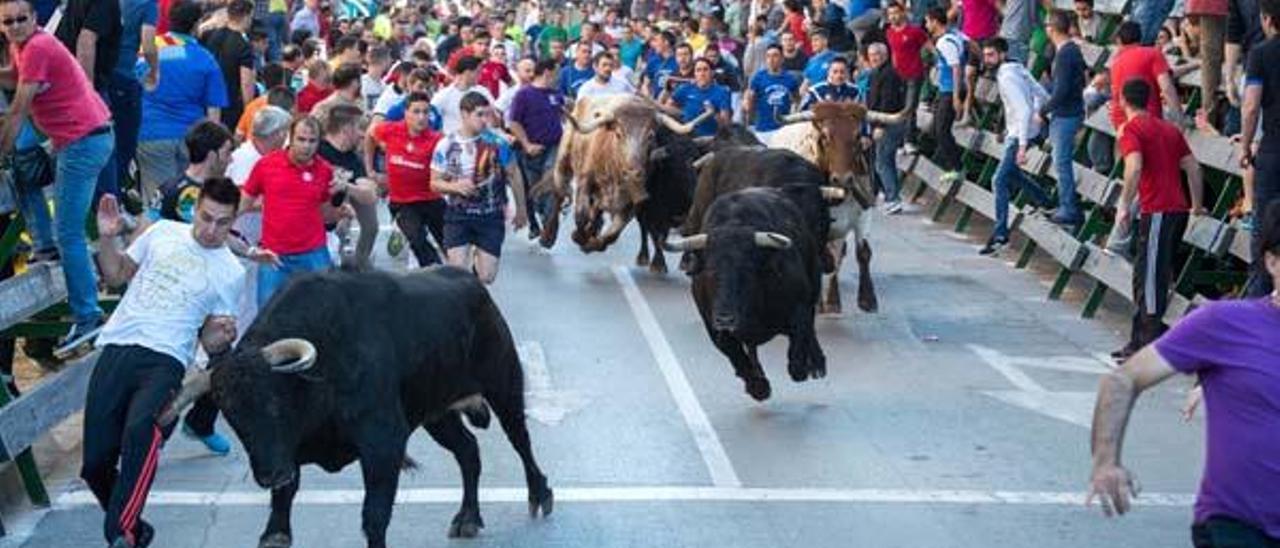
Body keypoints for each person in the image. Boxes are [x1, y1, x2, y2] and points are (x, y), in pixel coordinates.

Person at [1087, 201, 1280, 547]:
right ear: (1272, 262)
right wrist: (1105, 462)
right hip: (1238, 526)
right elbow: (1123, 379)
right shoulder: (1226, 323)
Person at [80, 179, 244, 548]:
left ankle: (120, 532)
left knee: (142, 430)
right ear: (195, 208)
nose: (211, 229)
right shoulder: (163, 232)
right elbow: (116, 274)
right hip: (119, 346)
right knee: (94, 465)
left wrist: (222, 336)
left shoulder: (231, 271)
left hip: (166, 359)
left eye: (222, 223)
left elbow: (209, 340)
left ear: (234, 220)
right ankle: (137, 532)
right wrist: (108, 238)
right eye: (206, 218)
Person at [0, 0, 116, 350]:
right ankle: (43, 244)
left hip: (82, 143)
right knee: (24, 164)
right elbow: (14, 78)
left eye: (22, 19)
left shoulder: (37, 47)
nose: (16, 25)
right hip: (78, 137)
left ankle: (87, 315)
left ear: (35, 19)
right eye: (9, 21)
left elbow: (18, 109)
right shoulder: (23, 47)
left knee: (70, 233)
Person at [1107, 79, 1206, 360]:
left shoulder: (1131, 130)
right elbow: (1194, 169)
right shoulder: (1168, 129)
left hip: (1158, 209)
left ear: (1124, 101)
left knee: (1150, 277)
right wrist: (1196, 205)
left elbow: (1134, 165)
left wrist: (1124, 204)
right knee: (1148, 272)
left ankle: (1147, 342)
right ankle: (1138, 338)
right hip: (1176, 210)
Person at [240, 116, 348, 305]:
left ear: (318, 142)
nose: (306, 146)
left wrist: (340, 203)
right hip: (274, 255)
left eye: (312, 141)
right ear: (291, 138)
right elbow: (244, 203)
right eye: (301, 139)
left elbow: (326, 215)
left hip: (313, 253)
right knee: (267, 316)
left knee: (324, 310)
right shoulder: (266, 165)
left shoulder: (325, 171)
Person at [137, 0, 228, 211]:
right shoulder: (206, 59)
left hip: (152, 134)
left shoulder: (148, 50)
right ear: (196, 25)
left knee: (155, 202)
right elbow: (214, 113)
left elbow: (135, 87)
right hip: (192, 139)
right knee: (189, 201)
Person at [431, 92, 527, 284]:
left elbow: (514, 175)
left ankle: (476, 272)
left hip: (490, 215)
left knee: (487, 276)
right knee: (457, 274)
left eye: (488, 115)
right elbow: (434, 183)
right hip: (458, 215)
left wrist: (521, 209)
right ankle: (463, 303)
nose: (485, 120)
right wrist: (455, 187)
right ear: (464, 114)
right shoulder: (446, 144)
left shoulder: (498, 143)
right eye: (479, 115)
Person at [980, 38, 1053, 256]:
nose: (987, 59)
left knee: (999, 179)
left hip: (1020, 134)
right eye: (985, 55)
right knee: (1011, 174)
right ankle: (1045, 201)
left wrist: (1021, 145)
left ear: (1002, 54)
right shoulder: (1017, 67)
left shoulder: (1007, 76)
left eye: (991, 54)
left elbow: (1022, 110)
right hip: (1021, 130)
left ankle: (1001, 235)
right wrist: (1038, 113)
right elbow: (1040, 93)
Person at [367, 91, 447, 268]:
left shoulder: (438, 140)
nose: (421, 117)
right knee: (418, 241)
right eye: (416, 111)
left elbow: (448, 169)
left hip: (431, 199)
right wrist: (371, 169)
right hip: (403, 202)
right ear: (406, 113)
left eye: (426, 112)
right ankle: (436, 273)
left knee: (450, 244)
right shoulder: (390, 129)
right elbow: (370, 135)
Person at [1241, 0, 1280, 298]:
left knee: (1263, 229)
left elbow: (1251, 106)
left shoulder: (1261, 53)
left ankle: (1260, 302)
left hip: (1273, 151)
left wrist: (1245, 145)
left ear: (1267, 19)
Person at [508, 59, 566, 240]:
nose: (558, 77)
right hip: (531, 150)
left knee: (551, 183)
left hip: (554, 147)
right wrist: (526, 144)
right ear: (547, 72)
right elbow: (514, 122)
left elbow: (565, 112)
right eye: (556, 72)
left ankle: (550, 226)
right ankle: (542, 216)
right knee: (535, 191)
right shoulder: (523, 95)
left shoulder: (556, 94)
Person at [1040, 11, 1088, 229]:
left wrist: (1042, 109)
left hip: (1066, 114)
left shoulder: (1066, 53)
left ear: (1051, 28)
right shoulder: (1069, 51)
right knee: (1061, 163)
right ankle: (1066, 205)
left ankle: (1068, 207)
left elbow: (1061, 91)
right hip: (1068, 112)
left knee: (1062, 163)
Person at [317, 104, 379, 269]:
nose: (363, 135)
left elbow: (370, 194)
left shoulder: (353, 160)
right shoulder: (316, 149)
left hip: (329, 228)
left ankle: (359, 268)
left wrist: (346, 187)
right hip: (306, 225)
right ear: (346, 128)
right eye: (360, 128)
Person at [865, 43, 907, 213]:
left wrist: (881, 125)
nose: (874, 57)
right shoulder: (875, 73)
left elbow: (888, 102)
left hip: (888, 124)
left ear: (885, 55)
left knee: (883, 162)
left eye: (877, 54)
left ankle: (893, 198)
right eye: (871, 54)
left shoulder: (889, 74)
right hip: (877, 121)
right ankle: (889, 194)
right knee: (883, 161)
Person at [924, 8, 965, 182]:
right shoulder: (954, 35)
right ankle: (951, 163)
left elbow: (956, 68)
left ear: (934, 21)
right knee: (934, 130)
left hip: (950, 91)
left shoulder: (945, 42)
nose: (926, 25)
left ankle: (958, 168)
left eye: (927, 21)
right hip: (944, 90)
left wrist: (956, 97)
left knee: (941, 131)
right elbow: (969, 45)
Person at [744, 43, 800, 141]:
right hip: (763, 129)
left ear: (782, 59)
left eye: (775, 55)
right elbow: (749, 101)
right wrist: (747, 101)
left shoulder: (791, 79)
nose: (771, 59)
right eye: (768, 56)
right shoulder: (758, 77)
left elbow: (797, 100)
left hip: (784, 130)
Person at [669, 57, 733, 137]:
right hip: (686, 137)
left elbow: (725, 125)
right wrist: (682, 113)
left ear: (712, 73)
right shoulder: (686, 88)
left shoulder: (722, 92)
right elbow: (669, 106)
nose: (702, 74)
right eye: (698, 70)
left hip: (711, 141)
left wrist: (714, 114)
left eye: (705, 70)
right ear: (694, 74)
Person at [432, 55, 494, 134]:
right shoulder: (444, 95)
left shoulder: (483, 91)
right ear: (467, 73)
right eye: (478, 72)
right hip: (455, 142)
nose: (480, 76)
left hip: (481, 140)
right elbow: (430, 117)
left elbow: (494, 119)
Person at [884, 1, 928, 111]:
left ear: (903, 13)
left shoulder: (914, 31)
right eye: (890, 14)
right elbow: (894, 52)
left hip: (914, 73)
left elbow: (929, 48)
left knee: (910, 106)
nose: (893, 17)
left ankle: (910, 128)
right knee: (901, 104)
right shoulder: (889, 32)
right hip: (899, 74)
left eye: (895, 13)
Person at [800, 29, 837, 99]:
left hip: (830, 98)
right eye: (812, 41)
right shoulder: (811, 61)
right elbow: (805, 84)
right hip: (814, 97)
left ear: (825, 41)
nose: (813, 43)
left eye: (816, 40)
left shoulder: (835, 58)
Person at [640, 30, 677, 97]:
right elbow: (645, 83)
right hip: (654, 102)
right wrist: (646, 92)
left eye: (657, 41)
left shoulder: (678, 61)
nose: (654, 44)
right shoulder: (653, 61)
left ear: (666, 42)